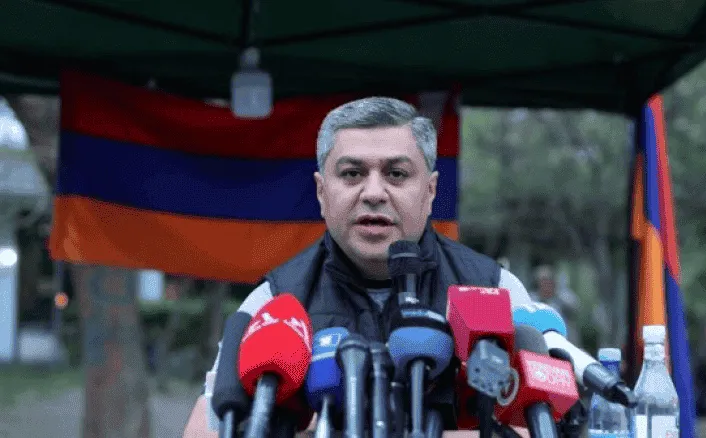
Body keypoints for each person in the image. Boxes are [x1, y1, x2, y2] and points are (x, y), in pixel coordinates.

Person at [183, 97, 535, 437]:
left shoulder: (497, 290)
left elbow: (543, 425)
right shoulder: (272, 304)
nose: (373, 193)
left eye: (396, 174)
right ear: (321, 192)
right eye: (352, 174)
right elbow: (205, 430)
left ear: (430, 191)